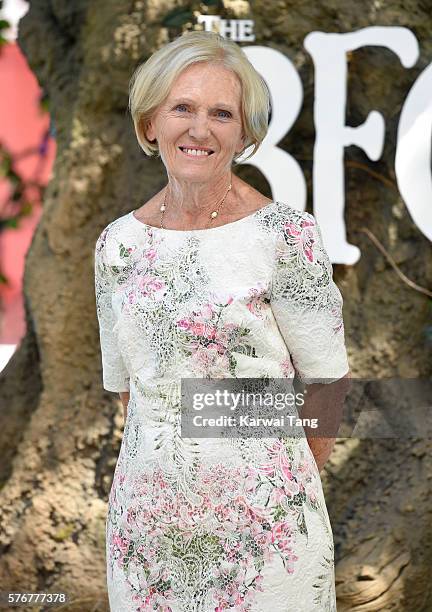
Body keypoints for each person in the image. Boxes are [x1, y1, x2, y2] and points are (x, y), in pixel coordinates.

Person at [94, 29, 351, 612]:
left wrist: (277, 483)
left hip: (267, 530)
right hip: (149, 530)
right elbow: (132, 393)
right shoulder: (117, 246)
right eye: (182, 107)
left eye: (221, 113)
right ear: (149, 122)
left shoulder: (285, 235)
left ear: (244, 134)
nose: (199, 129)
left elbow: (328, 384)